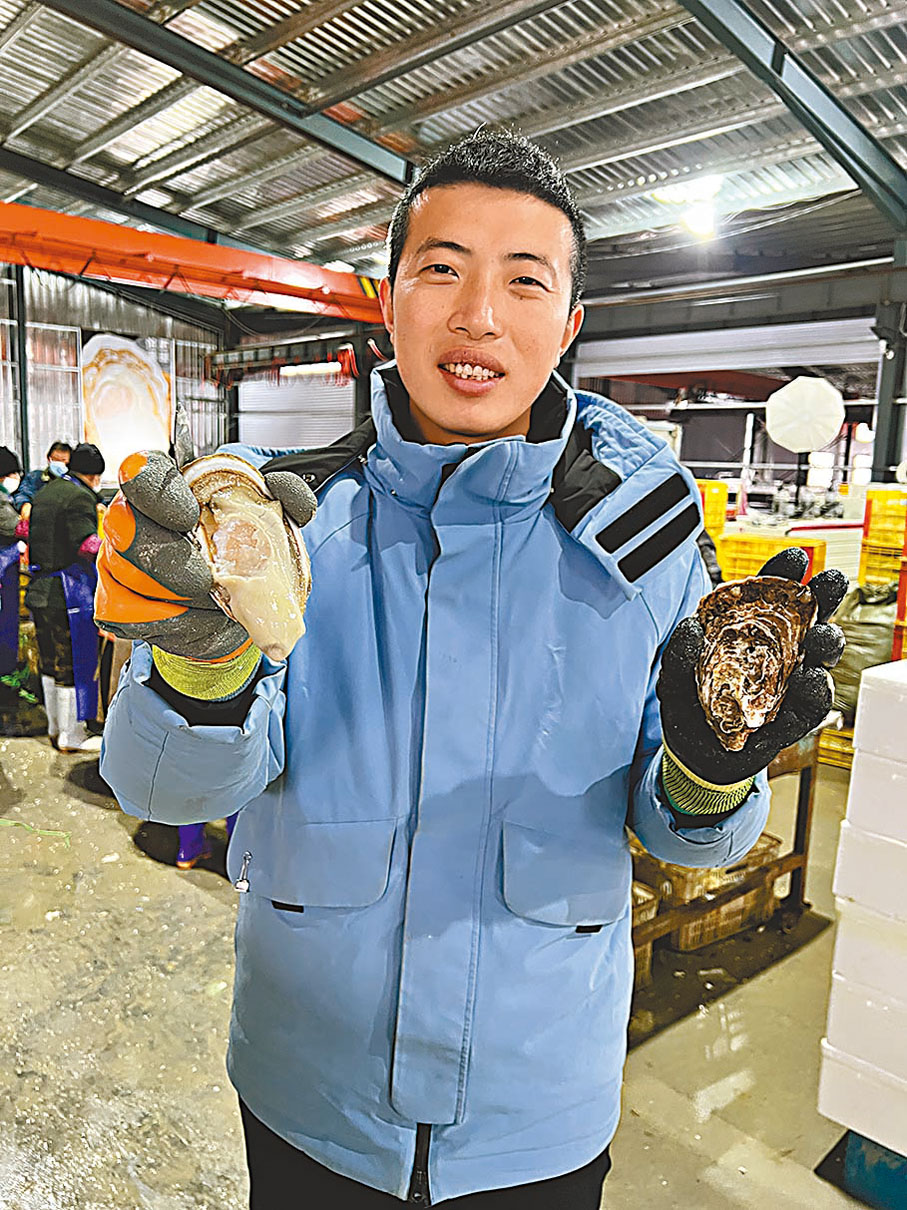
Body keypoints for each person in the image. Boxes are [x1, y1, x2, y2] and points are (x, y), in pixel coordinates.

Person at [95, 133, 846, 1207]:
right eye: (440, 269)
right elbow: (166, 793)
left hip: (535, 1111)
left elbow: (692, 835)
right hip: (308, 1088)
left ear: (569, 323)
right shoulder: (283, 521)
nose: (478, 315)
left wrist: (709, 765)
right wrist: (204, 663)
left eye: (524, 281)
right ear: (387, 300)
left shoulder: (642, 538)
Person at [25, 441, 105, 753]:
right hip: (65, 594)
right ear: (95, 476)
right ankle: (72, 735)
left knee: (49, 663)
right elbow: (86, 545)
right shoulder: (79, 497)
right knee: (71, 662)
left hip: (39, 590)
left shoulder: (46, 491)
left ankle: (55, 727)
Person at [0, 446, 22, 677]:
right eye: (13, 474)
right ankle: (6, 671)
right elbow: (18, 527)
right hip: (3, 572)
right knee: (5, 622)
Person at [13, 440, 72, 515]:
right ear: (48, 459)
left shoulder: (74, 482)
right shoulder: (35, 477)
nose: (59, 463)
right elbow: (23, 493)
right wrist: (25, 504)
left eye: (63, 460)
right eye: (55, 459)